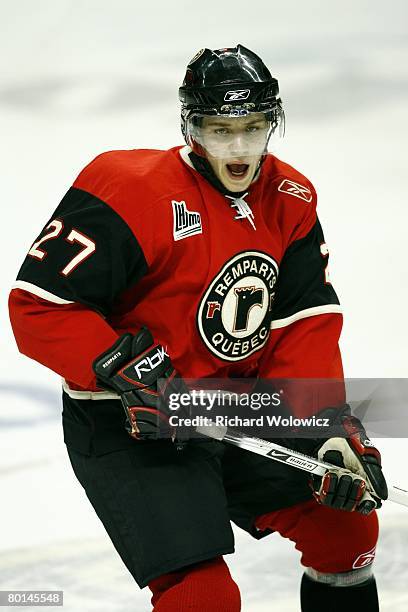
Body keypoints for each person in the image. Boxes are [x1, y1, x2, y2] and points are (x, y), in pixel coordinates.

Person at [9, 45, 388, 611]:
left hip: (235, 404)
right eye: (220, 129)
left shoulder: (293, 198)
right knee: (203, 597)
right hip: (132, 422)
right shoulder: (128, 187)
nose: (239, 149)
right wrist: (122, 366)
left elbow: (303, 324)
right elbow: (37, 307)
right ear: (191, 127)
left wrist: (326, 427)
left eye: (254, 127)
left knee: (346, 531)